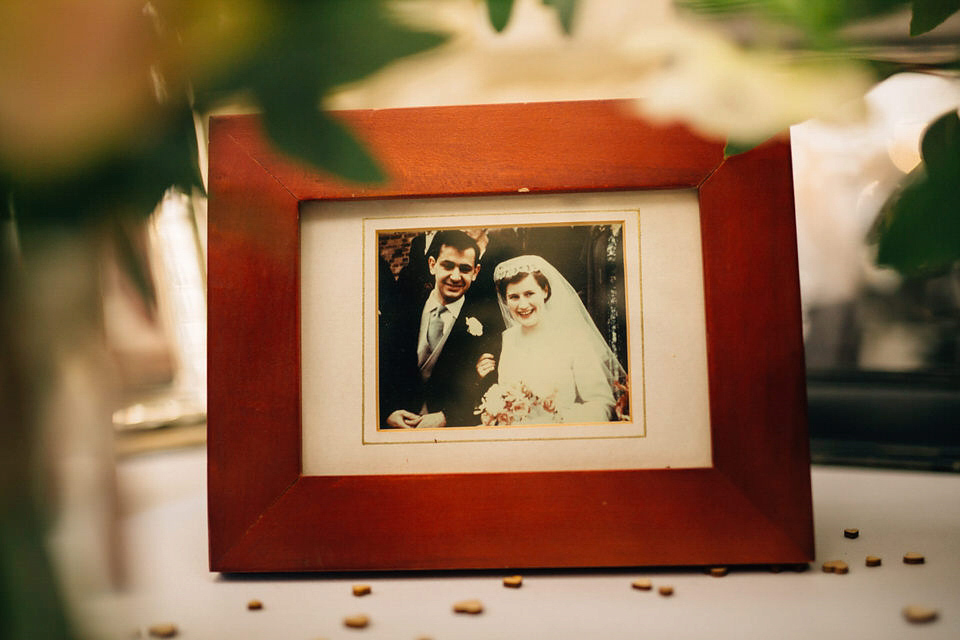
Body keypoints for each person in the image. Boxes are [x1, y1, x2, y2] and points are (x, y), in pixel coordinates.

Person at [476, 255, 625, 424]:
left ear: (545, 291)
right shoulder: (507, 339)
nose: (523, 305)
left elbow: (602, 404)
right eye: (514, 297)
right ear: (505, 300)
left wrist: (553, 423)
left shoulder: (574, 338)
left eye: (529, 293)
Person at [379, 230, 497, 428]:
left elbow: (487, 387)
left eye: (465, 269)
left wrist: (445, 417)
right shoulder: (401, 309)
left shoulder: (486, 325)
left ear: (475, 272)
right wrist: (386, 412)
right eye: (448, 266)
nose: (456, 276)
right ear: (432, 265)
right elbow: (378, 367)